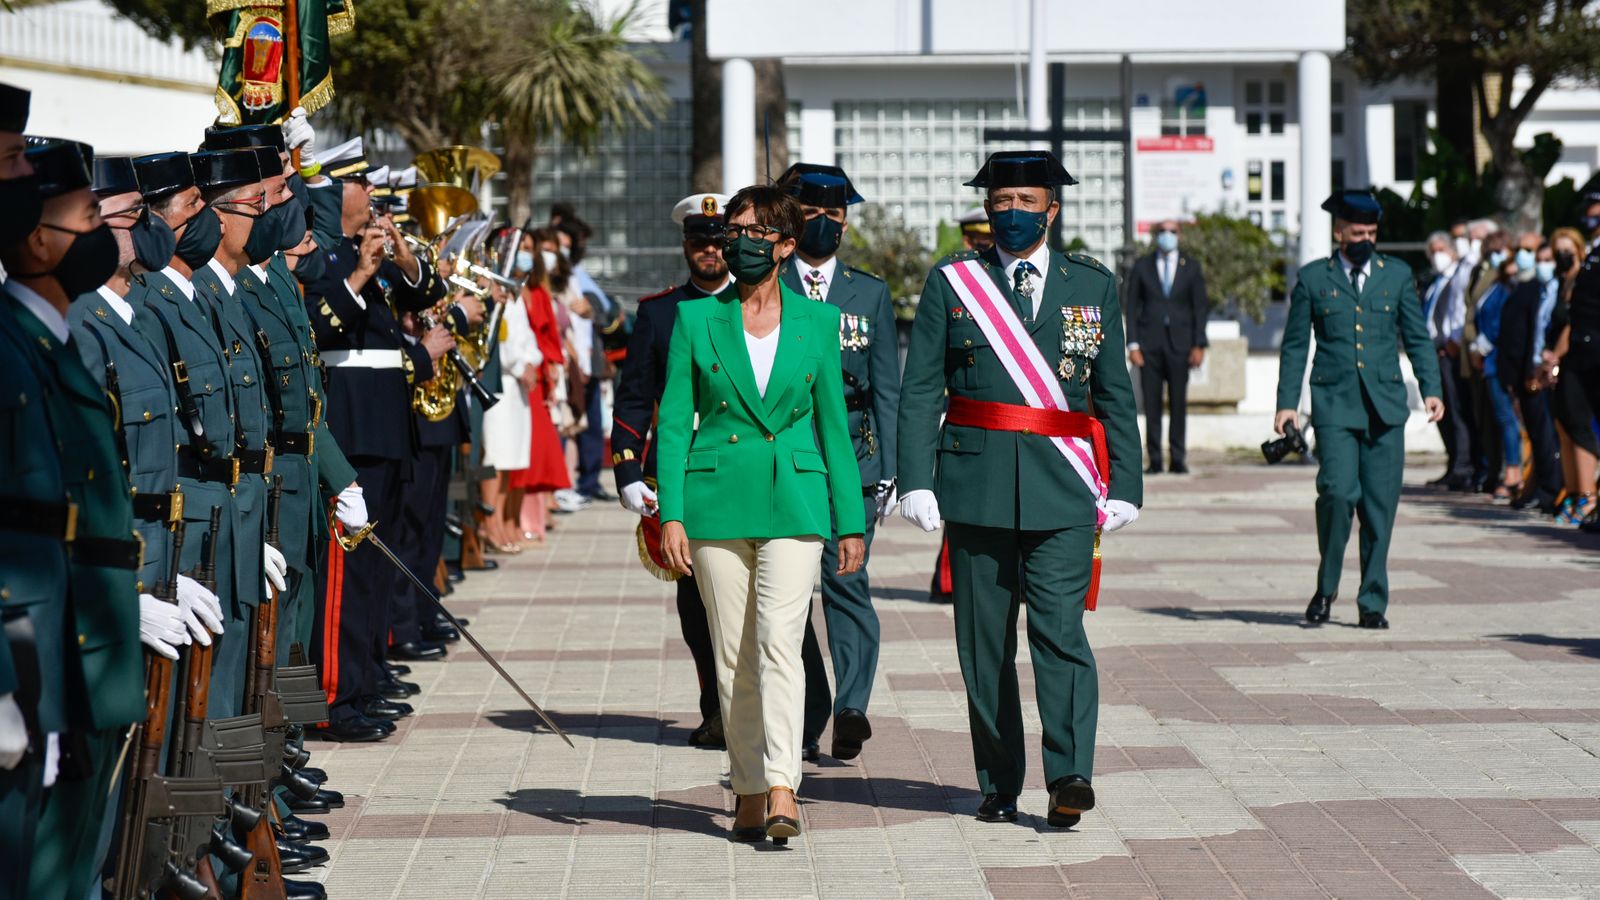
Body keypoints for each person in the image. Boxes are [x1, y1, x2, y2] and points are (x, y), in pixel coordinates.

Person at [897, 150, 1143, 830]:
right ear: (986, 210)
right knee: (984, 647)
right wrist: (915, 478)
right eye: (1001, 202)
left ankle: (1070, 775)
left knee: (1061, 634)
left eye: (1027, 202)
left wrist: (1128, 482)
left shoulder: (1090, 284)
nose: (1012, 213)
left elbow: (1114, 392)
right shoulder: (954, 284)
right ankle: (999, 780)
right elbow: (921, 388)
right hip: (974, 488)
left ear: (1052, 210)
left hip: (1063, 487)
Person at [655, 185, 866, 845]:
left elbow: (836, 428)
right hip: (716, 502)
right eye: (732, 230)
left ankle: (781, 785)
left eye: (752, 230)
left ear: (783, 243)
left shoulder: (818, 323)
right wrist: (672, 515)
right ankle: (746, 785)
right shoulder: (697, 321)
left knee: (780, 642)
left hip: (796, 504)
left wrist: (851, 519)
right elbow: (671, 425)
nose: (737, 241)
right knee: (733, 655)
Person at [4, 137, 147, 900]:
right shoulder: (10, 350)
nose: (106, 236)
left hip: (81, 655)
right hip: (31, 668)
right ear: (37, 239)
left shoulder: (52, 345)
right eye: (93, 216)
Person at [302, 138, 449, 739]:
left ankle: (364, 683)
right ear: (339, 191)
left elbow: (428, 295)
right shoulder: (321, 258)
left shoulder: (378, 254)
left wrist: (404, 258)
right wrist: (362, 272)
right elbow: (317, 326)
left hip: (386, 432)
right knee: (345, 575)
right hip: (349, 431)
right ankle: (336, 699)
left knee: (373, 575)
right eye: (363, 184)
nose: (374, 196)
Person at [775, 162, 900, 762]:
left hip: (854, 459)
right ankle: (808, 711)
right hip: (788, 459)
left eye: (836, 215)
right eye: (813, 213)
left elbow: (889, 389)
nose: (826, 223)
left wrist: (895, 471)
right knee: (789, 594)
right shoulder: (768, 284)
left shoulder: (869, 291)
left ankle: (851, 706)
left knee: (847, 582)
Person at [1276, 190, 1444, 630]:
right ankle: (1326, 586)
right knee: (1336, 492)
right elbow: (1295, 347)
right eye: (1357, 232)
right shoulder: (1314, 278)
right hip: (1333, 405)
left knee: (1379, 506)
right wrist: (1286, 406)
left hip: (1385, 407)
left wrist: (1431, 388)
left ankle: (1372, 601)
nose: (1365, 239)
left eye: (1371, 232)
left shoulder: (1397, 276)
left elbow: (1418, 336)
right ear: (1339, 232)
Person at [611, 193, 732, 749]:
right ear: (686, 246)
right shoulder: (659, 312)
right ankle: (717, 710)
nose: (708, 250)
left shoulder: (763, 303)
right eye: (698, 240)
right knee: (696, 605)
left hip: (746, 463)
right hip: (682, 474)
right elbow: (634, 397)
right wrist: (629, 469)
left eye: (717, 239)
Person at [1124, 218, 1209, 474]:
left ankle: (1178, 458)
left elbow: (1200, 308)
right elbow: (1131, 306)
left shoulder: (1191, 267)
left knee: (1178, 404)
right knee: (1151, 405)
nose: (1167, 235)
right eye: (1162, 231)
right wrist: (1133, 344)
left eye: (1172, 231)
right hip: (1149, 346)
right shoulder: (1142, 266)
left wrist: (1199, 344)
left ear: (1180, 235)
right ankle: (1155, 460)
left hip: (1181, 346)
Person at [1496, 240, 1563, 513]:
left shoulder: (1551, 290)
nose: (1543, 264)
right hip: (1530, 370)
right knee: (1537, 436)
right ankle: (1541, 487)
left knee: (1548, 436)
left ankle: (1552, 489)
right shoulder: (1535, 289)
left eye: (1549, 258)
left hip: (1547, 373)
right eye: (1541, 258)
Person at [1544, 222, 1600, 525]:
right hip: (1569, 362)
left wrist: (1554, 358)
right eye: (1558, 251)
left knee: (1579, 428)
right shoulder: (1562, 281)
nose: (1562, 256)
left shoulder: (1585, 276)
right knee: (1566, 428)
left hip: (1577, 359)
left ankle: (1587, 496)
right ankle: (1577, 493)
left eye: (1568, 251)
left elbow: (1571, 324)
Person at [1420, 230, 1476, 490]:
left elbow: (1459, 313)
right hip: (1435, 354)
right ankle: (1453, 462)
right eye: (1432, 252)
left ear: (1453, 251)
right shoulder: (1435, 282)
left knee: (1457, 411)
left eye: (1441, 250)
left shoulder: (1459, 276)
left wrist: (1452, 343)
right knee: (1441, 413)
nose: (1436, 256)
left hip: (1450, 352)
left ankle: (1463, 467)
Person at [1471, 255, 1523, 502]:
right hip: (1490, 361)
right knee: (1500, 421)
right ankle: (1507, 470)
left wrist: (1480, 347)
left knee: (1507, 419)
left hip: (1497, 360)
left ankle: (1514, 473)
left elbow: (1499, 324)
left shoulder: (1507, 290)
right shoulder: (1496, 286)